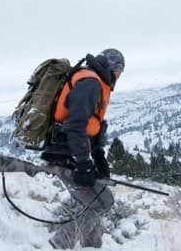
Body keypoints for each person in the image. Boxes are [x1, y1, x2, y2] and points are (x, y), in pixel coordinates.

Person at [40, 48, 125, 249]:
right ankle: (59, 245)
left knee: (98, 199)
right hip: (65, 153)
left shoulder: (93, 80)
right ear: (114, 68)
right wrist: (83, 164)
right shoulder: (92, 83)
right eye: (120, 71)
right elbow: (75, 126)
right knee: (103, 202)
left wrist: (98, 156)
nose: (120, 77)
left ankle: (92, 246)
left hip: (70, 152)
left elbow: (89, 127)